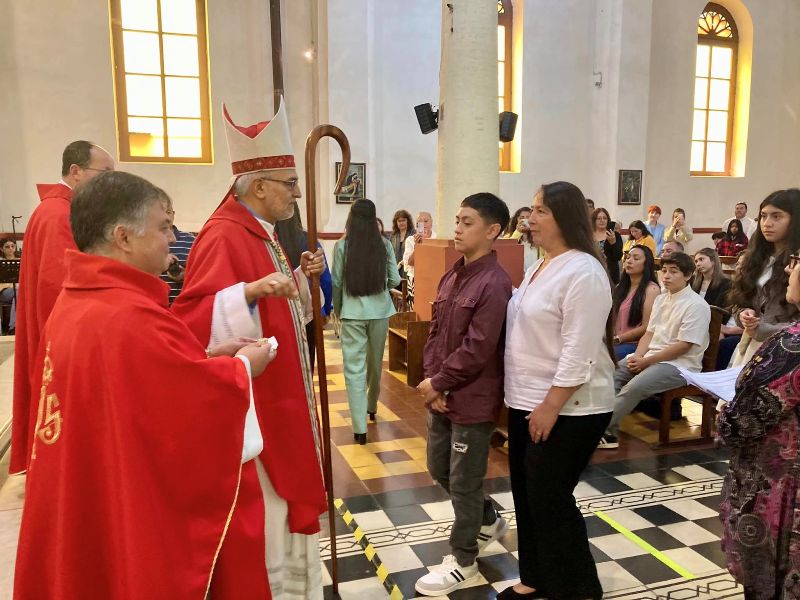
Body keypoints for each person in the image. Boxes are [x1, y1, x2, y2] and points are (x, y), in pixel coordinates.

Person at [14, 171, 276, 599]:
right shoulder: (127, 315)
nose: (172, 237)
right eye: (163, 227)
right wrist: (243, 368)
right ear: (123, 237)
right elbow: (186, 408)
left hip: (87, 491)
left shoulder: (81, 300)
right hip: (130, 505)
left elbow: (143, 387)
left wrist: (206, 356)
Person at [172, 99, 329, 599]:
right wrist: (249, 293)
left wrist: (301, 281)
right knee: (269, 510)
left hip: (279, 393)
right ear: (258, 186)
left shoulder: (264, 234)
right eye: (290, 183)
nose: (297, 193)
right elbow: (193, 321)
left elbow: (282, 311)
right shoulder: (223, 236)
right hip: (258, 407)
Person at [500, 181, 614, 600]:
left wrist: (551, 405)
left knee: (550, 496)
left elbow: (578, 350)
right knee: (527, 494)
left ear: (565, 218)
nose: (529, 219)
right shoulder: (541, 265)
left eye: (540, 211)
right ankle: (535, 577)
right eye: (531, 210)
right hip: (526, 398)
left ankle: (579, 589)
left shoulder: (583, 271)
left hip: (571, 406)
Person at [413, 193, 512, 596]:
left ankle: (464, 561)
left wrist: (440, 382)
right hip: (443, 393)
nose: (456, 228)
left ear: (492, 231)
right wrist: (433, 381)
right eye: (457, 220)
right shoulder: (452, 275)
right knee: (439, 469)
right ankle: (487, 518)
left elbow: (478, 348)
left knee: (464, 481)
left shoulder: (495, 283)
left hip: (472, 398)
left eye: (467, 222)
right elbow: (435, 334)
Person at [10, 140, 115, 475]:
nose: (110, 182)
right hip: (63, 342)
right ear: (76, 171)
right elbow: (61, 287)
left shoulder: (59, 209)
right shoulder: (59, 214)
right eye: (105, 173)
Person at [718, 251, 800, 600]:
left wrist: (725, 414)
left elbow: (744, 419)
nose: (789, 268)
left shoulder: (791, 346)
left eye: (797, 261)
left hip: (783, 481)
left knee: (773, 579)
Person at [599, 252, 710, 449]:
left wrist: (646, 362)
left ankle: (594, 430)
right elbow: (649, 333)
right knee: (610, 375)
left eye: (673, 272)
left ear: (688, 275)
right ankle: (608, 432)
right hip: (651, 357)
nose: (666, 276)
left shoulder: (696, 305)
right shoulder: (661, 299)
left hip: (679, 365)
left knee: (634, 387)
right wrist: (638, 356)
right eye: (664, 271)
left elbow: (684, 345)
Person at [332, 199, 400, 444]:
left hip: (352, 313)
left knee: (354, 369)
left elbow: (337, 282)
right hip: (380, 311)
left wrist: (338, 309)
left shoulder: (342, 246)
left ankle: (359, 428)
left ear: (351, 218)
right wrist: (381, 287)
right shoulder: (384, 244)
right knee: (375, 362)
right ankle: (372, 406)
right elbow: (395, 279)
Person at [728, 189, 800, 367]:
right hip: (751, 347)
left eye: (777, 216)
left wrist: (765, 330)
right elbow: (739, 299)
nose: (767, 223)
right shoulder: (756, 258)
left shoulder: (797, 262)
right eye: (763, 216)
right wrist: (743, 314)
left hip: (787, 353)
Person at [275, 202, 334, 371]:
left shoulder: (271, 243)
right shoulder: (309, 241)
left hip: (279, 312)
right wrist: (325, 310)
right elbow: (325, 279)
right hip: (307, 312)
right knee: (307, 362)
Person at [612, 246, 661, 360]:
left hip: (635, 345)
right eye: (628, 257)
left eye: (636, 258)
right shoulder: (620, 287)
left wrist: (618, 339)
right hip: (614, 341)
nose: (629, 261)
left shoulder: (652, 290)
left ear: (646, 264)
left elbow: (647, 326)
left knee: (603, 357)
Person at [159, 207, 196, 305]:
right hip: (154, 303)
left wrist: (184, 275)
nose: (166, 216)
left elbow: (200, 272)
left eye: (168, 212)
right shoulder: (146, 239)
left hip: (184, 305)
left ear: (173, 214)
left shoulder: (191, 240)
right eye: (161, 212)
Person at [591, 207, 623, 283]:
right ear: (594, 220)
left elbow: (618, 256)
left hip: (610, 273)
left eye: (604, 218)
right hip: (592, 271)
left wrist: (613, 243)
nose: (602, 220)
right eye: (599, 218)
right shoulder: (588, 235)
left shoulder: (615, 235)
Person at [0, 239, 19, 334]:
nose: (10, 248)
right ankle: (13, 327)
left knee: (18, 293)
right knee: (18, 292)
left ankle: (14, 327)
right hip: (3, 291)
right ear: (2, 249)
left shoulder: (21, 261)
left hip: (17, 290)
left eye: (12, 246)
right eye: (7, 247)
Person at [389, 209, 415, 275]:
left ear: (408, 221)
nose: (401, 223)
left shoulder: (414, 234)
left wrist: (403, 262)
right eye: (399, 221)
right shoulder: (393, 236)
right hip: (395, 270)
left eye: (403, 220)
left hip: (409, 271)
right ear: (396, 222)